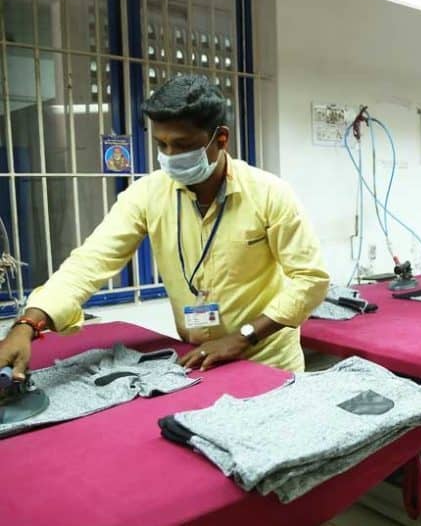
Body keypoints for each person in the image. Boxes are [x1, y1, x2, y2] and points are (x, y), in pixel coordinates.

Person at [0, 75, 329, 381]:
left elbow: (310, 279)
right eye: (162, 145)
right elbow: (89, 263)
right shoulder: (148, 194)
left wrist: (243, 336)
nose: (170, 156)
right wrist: (28, 323)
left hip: (268, 361)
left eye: (183, 145)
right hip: (196, 360)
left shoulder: (269, 194)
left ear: (221, 138)